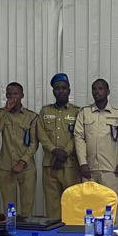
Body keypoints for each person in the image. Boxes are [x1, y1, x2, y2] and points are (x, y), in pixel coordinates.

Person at [0, 82, 38, 217]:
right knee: (9, 209)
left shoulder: (32, 116)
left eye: (16, 94)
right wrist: (5, 110)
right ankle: (11, 230)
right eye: (9, 94)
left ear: (22, 95)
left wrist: (22, 162)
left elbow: (34, 143)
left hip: (26, 168)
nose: (12, 97)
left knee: (27, 208)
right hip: (6, 166)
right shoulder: (0, 113)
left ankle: (25, 229)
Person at [37, 73, 80, 219]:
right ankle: (54, 232)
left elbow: (78, 135)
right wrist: (54, 151)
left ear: (69, 90)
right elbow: (41, 134)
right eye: (57, 88)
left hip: (70, 166)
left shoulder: (77, 111)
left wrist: (64, 154)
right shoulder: (45, 111)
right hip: (50, 165)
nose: (60, 91)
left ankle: (71, 231)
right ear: (53, 91)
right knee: (52, 205)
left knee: (72, 203)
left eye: (64, 88)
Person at [74, 78, 118, 195]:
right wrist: (82, 163)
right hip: (89, 168)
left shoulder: (117, 114)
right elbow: (78, 138)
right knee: (90, 202)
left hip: (111, 169)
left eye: (101, 89)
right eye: (94, 89)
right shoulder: (84, 113)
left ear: (108, 91)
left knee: (110, 202)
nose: (97, 92)